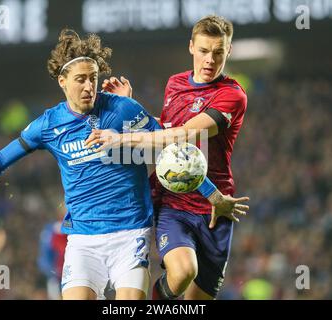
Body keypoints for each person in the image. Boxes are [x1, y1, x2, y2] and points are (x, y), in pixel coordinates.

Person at [0, 29, 161, 300]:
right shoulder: (48, 124)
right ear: (62, 81)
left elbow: (169, 142)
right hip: (83, 241)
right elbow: (0, 159)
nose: (88, 87)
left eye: (93, 79)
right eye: (80, 79)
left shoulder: (123, 109)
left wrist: (131, 124)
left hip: (130, 233)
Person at [88, 15, 249, 300]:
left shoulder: (232, 95)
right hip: (173, 199)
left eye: (218, 52)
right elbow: (164, 129)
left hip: (214, 207)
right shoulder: (175, 84)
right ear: (191, 48)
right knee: (183, 270)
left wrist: (121, 137)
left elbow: (185, 135)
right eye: (203, 50)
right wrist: (129, 105)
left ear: (229, 51)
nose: (210, 59)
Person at [37, 204, 68, 300]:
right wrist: (53, 272)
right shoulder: (52, 229)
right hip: (57, 275)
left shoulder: (77, 227)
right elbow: (44, 254)